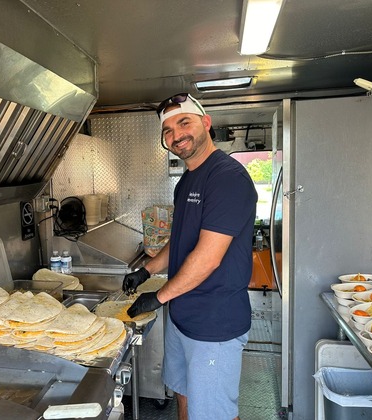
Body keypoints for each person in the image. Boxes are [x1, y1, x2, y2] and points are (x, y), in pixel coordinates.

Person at [123, 93, 258, 420]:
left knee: (214, 414)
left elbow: (208, 257)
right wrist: (146, 271)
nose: (176, 135)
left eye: (184, 122)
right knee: (185, 399)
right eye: (167, 130)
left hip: (215, 326)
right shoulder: (186, 181)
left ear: (206, 123)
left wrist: (158, 296)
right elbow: (182, 241)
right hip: (183, 320)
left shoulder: (227, 178)